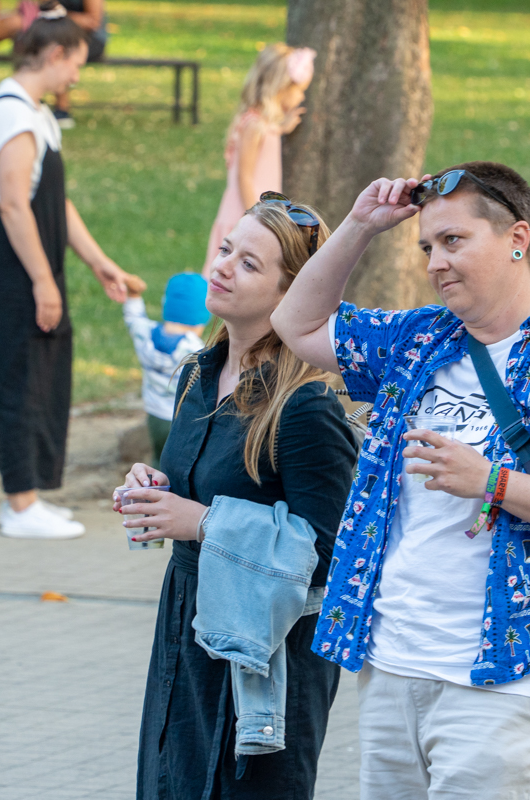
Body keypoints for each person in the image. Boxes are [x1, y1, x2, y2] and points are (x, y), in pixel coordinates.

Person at [272, 162, 530, 800]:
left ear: (517, 239)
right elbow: (298, 325)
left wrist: (493, 483)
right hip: (393, 659)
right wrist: (361, 225)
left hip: (514, 676)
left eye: (453, 241)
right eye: (427, 246)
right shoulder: (420, 338)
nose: (436, 263)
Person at [117, 195, 356, 797]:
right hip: (186, 629)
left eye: (249, 264)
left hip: (267, 656)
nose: (221, 266)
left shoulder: (306, 407)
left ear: (291, 292)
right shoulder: (197, 374)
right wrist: (153, 487)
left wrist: (203, 523)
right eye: (226, 249)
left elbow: (332, 554)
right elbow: (200, 488)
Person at [0, 2, 142, 539]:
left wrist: (98, 262)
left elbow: (54, 202)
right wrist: (43, 281)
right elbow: (13, 206)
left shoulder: (37, 116)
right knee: (20, 378)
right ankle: (19, 504)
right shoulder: (12, 118)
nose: (76, 76)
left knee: (43, 374)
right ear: (54, 54)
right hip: (16, 275)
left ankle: (32, 496)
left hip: (38, 270)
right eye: (76, 65)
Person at [201, 43, 315, 279]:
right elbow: (244, 176)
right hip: (244, 211)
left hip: (254, 211)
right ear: (280, 87)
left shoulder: (263, 125)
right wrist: (256, 218)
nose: (302, 97)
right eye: (299, 90)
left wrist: (281, 128)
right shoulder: (254, 125)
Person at [122, 272, 208, 468]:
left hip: (154, 415)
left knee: (159, 458)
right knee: (183, 464)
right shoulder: (195, 350)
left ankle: (152, 483)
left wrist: (133, 295)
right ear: (201, 317)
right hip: (182, 419)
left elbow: (133, 318)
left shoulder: (144, 334)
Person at [49, 0, 106, 128]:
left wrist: (58, 17)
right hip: (58, 35)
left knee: (59, 45)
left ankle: (62, 109)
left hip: (90, 38)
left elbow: (93, 22)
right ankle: (33, 98)